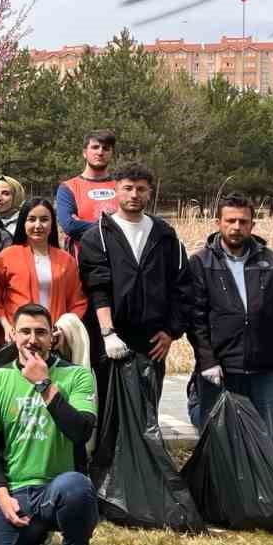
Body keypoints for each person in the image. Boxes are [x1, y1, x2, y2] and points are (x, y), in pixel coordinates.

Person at [0, 303, 98, 545]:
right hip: (17, 490)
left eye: (40, 332)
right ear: (12, 334)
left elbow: (81, 431)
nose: (32, 339)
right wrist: (1, 495)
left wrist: (44, 384)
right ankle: (37, 537)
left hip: (59, 488)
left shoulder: (76, 376)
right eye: (25, 331)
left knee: (78, 488)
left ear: (52, 337)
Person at [185, 194, 273, 433]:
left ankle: (261, 472)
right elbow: (196, 319)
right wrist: (207, 360)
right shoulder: (201, 262)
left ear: (252, 225)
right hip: (221, 368)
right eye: (230, 220)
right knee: (220, 439)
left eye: (243, 221)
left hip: (264, 369)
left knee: (261, 436)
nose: (236, 227)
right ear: (218, 223)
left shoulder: (270, 261)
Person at [78, 163, 189, 403]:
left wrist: (171, 331)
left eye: (141, 189)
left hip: (151, 342)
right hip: (110, 339)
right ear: (115, 190)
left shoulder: (165, 236)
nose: (134, 195)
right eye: (127, 188)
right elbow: (98, 287)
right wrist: (108, 333)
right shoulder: (98, 236)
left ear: (150, 192)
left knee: (145, 414)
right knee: (110, 415)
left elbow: (181, 288)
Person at [0, 198, 87, 346]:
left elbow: (77, 301)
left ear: (52, 223)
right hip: (16, 339)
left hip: (53, 339)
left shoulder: (66, 260)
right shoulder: (6, 257)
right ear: (23, 223)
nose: (38, 225)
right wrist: (6, 325)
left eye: (44, 219)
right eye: (31, 219)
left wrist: (63, 328)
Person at [55, 129, 118, 246]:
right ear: (84, 152)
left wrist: (84, 224)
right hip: (83, 260)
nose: (100, 152)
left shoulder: (122, 186)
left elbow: (133, 221)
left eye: (106, 148)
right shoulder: (68, 188)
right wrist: (116, 229)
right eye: (95, 147)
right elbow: (70, 226)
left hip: (120, 259)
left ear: (112, 154)